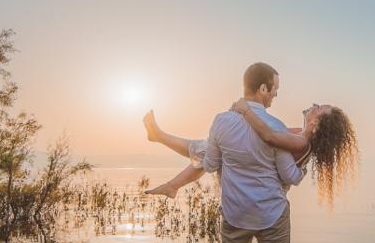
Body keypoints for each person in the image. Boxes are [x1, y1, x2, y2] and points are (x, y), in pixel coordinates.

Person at [142, 62, 356, 243]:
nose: (276, 93)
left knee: (206, 150)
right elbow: (281, 158)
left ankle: (162, 147)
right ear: (263, 89)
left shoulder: (224, 121)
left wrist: (241, 118)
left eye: (320, 107)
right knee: (206, 148)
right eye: (275, 89)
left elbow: (213, 163)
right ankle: (168, 167)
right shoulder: (282, 129)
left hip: (236, 213)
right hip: (270, 213)